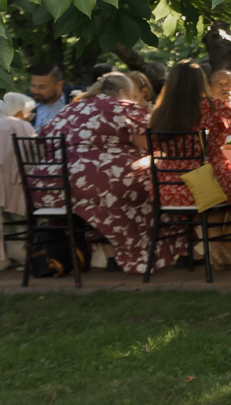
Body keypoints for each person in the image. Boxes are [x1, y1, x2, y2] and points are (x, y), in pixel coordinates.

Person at [42, 73, 157, 272]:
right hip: (96, 183)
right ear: (122, 92)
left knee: (103, 194)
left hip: (51, 185)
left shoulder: (69, 109)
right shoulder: (124, 107)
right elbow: (147, 144)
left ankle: (110, 256)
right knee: (147, 182)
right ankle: (136, 253)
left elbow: (44, 139)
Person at [151, 62, 231, 217]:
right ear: (201, 82)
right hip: (204, 182)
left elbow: (151, 146)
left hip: (166, 187)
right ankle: (224, 240)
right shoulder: (212, 106)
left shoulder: (161, 112)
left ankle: (215, 240)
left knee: (227, 194)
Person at [0, 92, 38, 245]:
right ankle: (27, 255)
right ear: (20, 111)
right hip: (17, 183)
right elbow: (35, 155)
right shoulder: (22, 125)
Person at [28, 62, 71, 131]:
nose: (35, 91)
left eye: (42, 87)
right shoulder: (25, 103)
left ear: (59, 85)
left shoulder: (74, 99)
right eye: (33, 86)